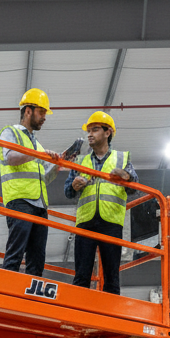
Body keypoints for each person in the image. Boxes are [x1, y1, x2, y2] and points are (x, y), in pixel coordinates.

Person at [64, 111, 138, 295]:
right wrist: (73, 186)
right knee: (81, 276)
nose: (90, 134)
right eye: (89, 130)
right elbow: (67, 191)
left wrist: (126, 176)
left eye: (95, 129)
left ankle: (110, 319)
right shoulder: (81, 161)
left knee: (112, 277)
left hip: (111, 222)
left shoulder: (122, 159)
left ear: (108, 132)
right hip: (85, 222)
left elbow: (134, 186)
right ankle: (78, 315)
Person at [0, 88, 62, 277]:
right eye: (41, 112)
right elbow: (10, 158)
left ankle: (32, 302)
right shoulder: (10, 133)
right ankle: (7, 293)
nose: (44, 117)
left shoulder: (37, 144)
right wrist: (37, 155)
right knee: (15, 254)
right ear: (28, 111)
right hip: (20, 202)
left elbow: (44, 178)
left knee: (37, 258)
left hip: (40, 205)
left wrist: (58, 166)